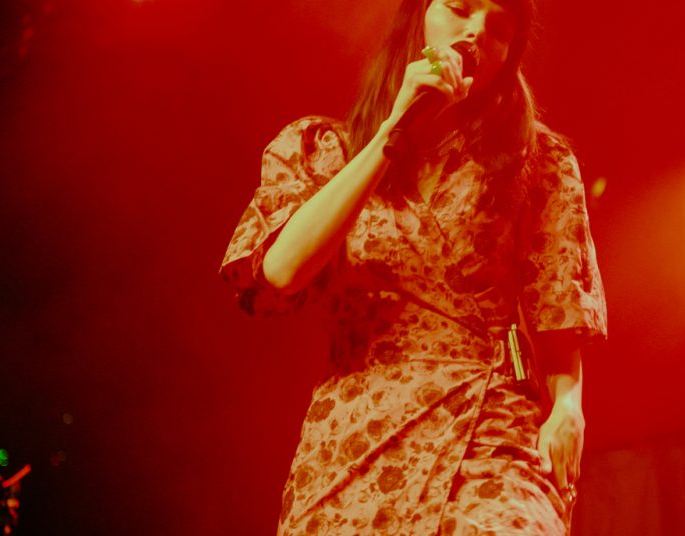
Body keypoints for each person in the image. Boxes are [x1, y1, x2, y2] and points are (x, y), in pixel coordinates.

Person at [220, 0, 607, 533]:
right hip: (357, 429)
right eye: (461, 8)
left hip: (488, 422)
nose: (476, 31)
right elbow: (281, 271)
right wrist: (393, 132)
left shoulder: (536, 159)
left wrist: (568, 405)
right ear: (417, 16)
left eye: (498, 27)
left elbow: (558, 303)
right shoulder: (324, 150)